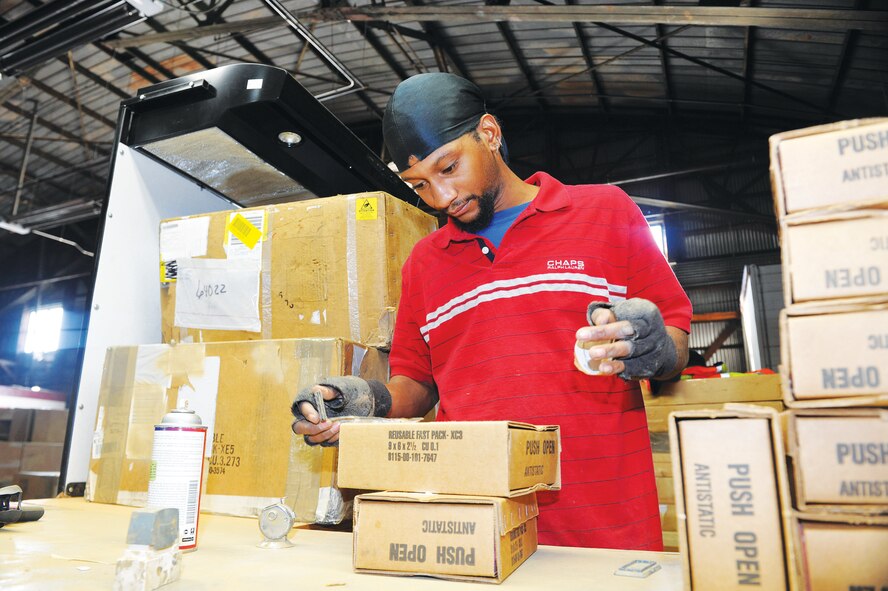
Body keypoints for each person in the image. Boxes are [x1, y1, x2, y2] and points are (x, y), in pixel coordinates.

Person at [292, 73, 691, 550]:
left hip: (605, 527)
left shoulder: (605, 212)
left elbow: (674, 332)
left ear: (489, 134)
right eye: (419, 185)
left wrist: (658, 348)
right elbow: (416, 387)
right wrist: (360, 403)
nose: (441, 198)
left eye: (449, 168)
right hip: (476, 529)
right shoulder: (424, 263)